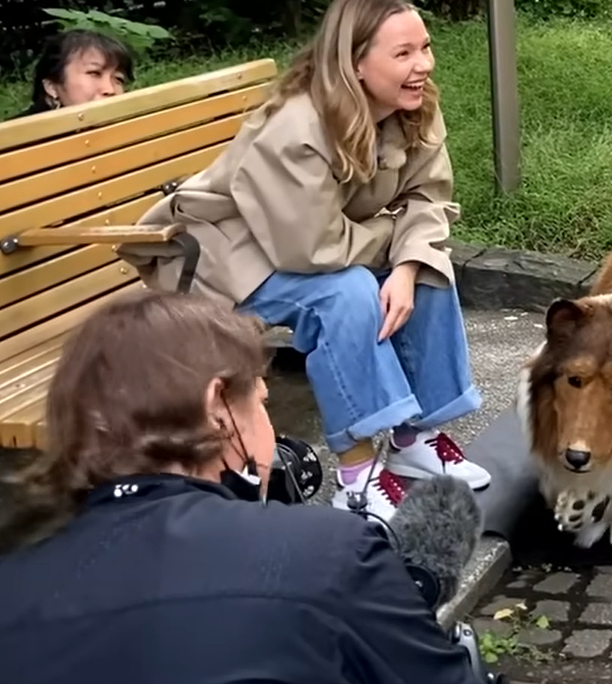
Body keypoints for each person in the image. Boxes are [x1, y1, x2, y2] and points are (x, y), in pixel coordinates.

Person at [118, 0, 490, 522]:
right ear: (356, 63)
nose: (423, 65)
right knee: (347, 294)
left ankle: (415, 439)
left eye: (425, 47)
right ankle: (357, 479)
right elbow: (312, 249)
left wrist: (408, 264)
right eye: (403, 53)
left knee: (428, 272)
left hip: (311, 244)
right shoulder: (298, 126)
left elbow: (428, 200)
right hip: (221, 256)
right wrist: (394, 234)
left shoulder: (414, 109)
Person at [0, 290, 485, 684]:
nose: (270, 431)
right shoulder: (327, 552)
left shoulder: (15, 573)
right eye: (261, 402)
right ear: (217, 406)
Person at [6, 29, 134, 119]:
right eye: (94, 73)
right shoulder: (12, 142)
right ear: (52, 87)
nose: (110, 90)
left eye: (118, 79)